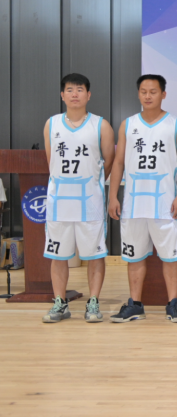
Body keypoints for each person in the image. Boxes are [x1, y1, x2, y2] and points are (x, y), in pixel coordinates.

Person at [107, 75, 177, 323]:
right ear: (138, 94)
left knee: (171, 256)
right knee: (134, 256)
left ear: (163, 94)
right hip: (133, 204)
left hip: (165, 204)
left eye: (153, 91)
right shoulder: (128, 124)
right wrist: (112, 196)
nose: (147, 96)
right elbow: (118, 162)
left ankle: (173, 304)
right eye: (143, 91)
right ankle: (135, 304)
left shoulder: (176, 124)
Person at [41, 74, 115, 323]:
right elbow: (51, 161)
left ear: (88, 95)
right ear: (62, 95)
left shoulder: (100, 125)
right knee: (58, 255)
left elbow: (108, 161)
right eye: (70, 90)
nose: (75, 94)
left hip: (90, 203)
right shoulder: (52, 124)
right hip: (59, 202)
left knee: (95, 254)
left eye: (80, 89)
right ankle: (60, 302)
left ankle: (93, 302)